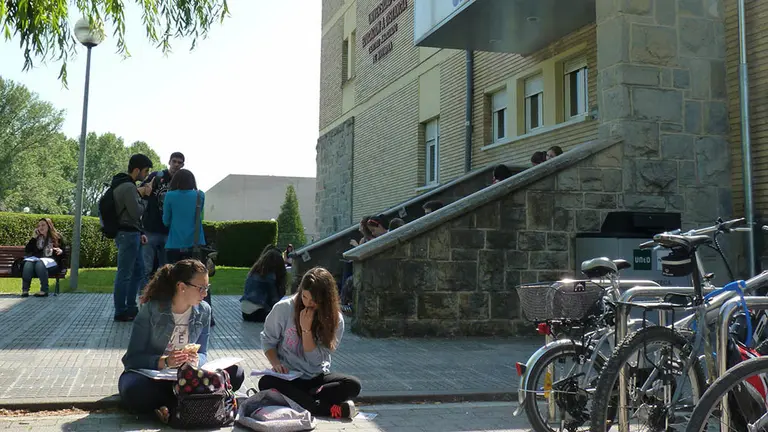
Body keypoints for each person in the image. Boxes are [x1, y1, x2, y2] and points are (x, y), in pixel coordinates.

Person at [118, 259, 245, 421]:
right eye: (201, 288)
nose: (205, 294)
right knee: (134, 390)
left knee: (236, 372)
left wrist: (197, 360)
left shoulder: (204, 311)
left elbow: (203, 352)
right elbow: (133, 359)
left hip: (186, 377)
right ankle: (187, 401)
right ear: (181, 287)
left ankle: (170, 405)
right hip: (154, 377)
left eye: (207, 288)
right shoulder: (151, 310)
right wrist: (165, 361)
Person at [259, 267, 361, 419]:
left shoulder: (335, 320)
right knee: (265, 382)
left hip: (317, 378)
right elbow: (268, 340)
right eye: (305, 297)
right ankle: (323, 407)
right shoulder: (283, 309)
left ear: (326, 300)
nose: (308, 303)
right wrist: (276, 363)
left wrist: (307, 331)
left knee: (353, 385)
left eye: (314, 301)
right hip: (290, 377)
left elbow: (315, 361)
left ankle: (306, 402)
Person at [162, 169, 215, 325]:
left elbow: (166, 220)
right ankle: (207, 317)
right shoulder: (200, 196)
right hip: (196, 245)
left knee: (173, 281)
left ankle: (172, 315)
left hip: (174, 244)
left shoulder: (169, 196)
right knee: (201, 283)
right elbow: (201, 218)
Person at [112, 154, 154, 322]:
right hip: (127, 235)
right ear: (136, 170)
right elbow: (136, 212)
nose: (146, 175)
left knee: (137, 271)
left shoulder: (125, 185)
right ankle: (121, 310)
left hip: (132, 234)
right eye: (145, 171)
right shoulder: (128, 187)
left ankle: (131, 307)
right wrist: (145, 197)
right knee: (125, 273)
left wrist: (141, 233)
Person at [140, 152, 185, 286]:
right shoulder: (157, 176)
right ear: (169, 162)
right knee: (146, 268)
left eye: (179, 162)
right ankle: (142, 298)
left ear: (183, 165)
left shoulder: (182, 182)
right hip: (150, 228)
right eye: (174, 161)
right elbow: (140, 192)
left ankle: (162, 298)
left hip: (169, 232)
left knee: (166, 269)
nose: (176, 165)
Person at [20, 218, 66, 297]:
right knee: (28, 264)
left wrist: (61, 251)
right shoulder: (37, 238)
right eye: (39, 226)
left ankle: (44, 290)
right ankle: (25, 290)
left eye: (43, 225)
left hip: (53, 264)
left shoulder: (57, 237)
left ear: (49, 226)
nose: (41, 227)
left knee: (40, 263)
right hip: (38, 261)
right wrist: (33, 238)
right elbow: (27, 250)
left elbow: (64, 251)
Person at [241, 246, 287, 322]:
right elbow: (274, 300)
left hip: (245, 312)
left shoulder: (254, 272)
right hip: (257, 312)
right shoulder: (269, 277)